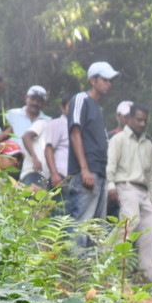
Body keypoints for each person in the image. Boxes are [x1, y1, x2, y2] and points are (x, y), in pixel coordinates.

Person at [65, 61, 119, 245]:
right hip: (86, 173)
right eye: (105, 79)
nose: (108, 84)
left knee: (96, 229)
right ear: (92, 80)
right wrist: (84, 169)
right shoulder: (81, 99)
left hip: (100, 172)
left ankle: (88, 271)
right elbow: (75, 132)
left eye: (110, 80)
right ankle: (74, 269)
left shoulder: (98, 108)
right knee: (81, 224)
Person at [106, 103, 152, 282]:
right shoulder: (118, 139)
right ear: (128, 119)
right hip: (125, 185)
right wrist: (111, 186)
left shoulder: (148, 144)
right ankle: (107, 261)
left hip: (144, 192)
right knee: (131, 220)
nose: (142, 124)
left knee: (150, 232)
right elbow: (110, 165)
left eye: (145, 120)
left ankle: (147, 280)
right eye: (138, 119)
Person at [9, 85, 51, 187]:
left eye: (39, 101)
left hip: (32, 169)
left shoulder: (48, 121)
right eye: (33, 99)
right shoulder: (11, 115)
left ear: (44, 103)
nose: (35, 103)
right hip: (11, 163)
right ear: (26, 98)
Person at [43, 95, 70, 211]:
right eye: (71, 106)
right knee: (60, 213)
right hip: (60, 176)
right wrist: (54, 174)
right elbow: (49, 148)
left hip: (74, 178)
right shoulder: (57, 124)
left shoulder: (78, 126)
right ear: (62, 108)